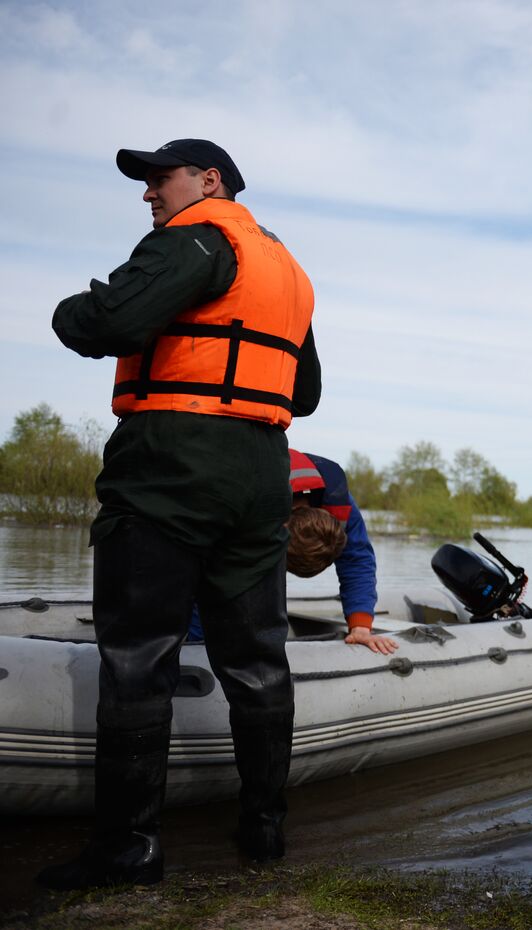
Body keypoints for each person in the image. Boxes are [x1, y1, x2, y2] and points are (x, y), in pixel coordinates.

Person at [40, 139, 318, 889]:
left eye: (159, 178)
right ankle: (263, 831)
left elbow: (108, 323)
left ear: (209, 181)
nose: (148, 194)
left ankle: (129, 850)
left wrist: (68, 309)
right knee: (257, 659)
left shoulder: (194, 238)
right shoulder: (286, 269)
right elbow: (306, 391)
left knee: (138, 658)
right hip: (260, 471)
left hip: (172, 463)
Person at [187, 450, 398, 655]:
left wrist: (360, 626)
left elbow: (358, 561)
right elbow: (208, 573)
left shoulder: (337, 502)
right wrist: (197, 645)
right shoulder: (244, 503)